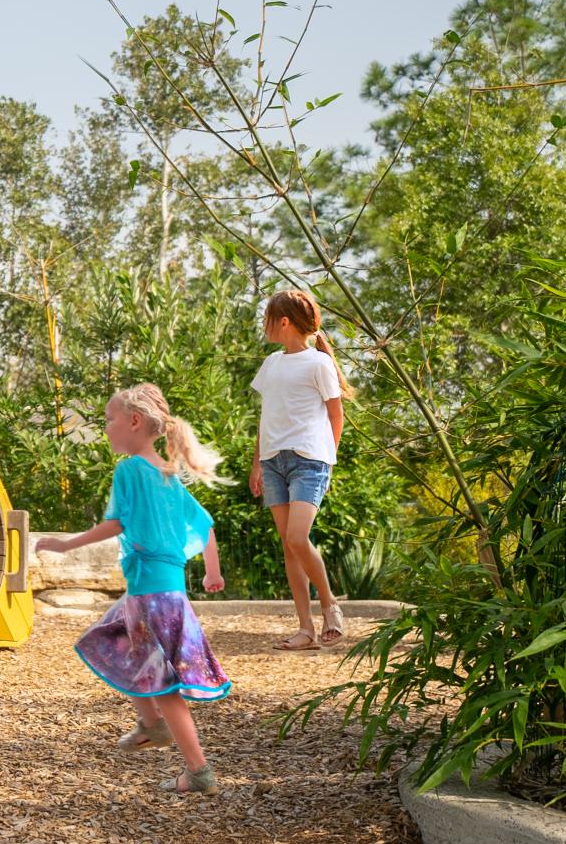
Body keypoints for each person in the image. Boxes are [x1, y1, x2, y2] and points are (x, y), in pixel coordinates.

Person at [37, 384, 231, 795]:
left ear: (134, 422)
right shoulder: (169, 477)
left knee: (165, 684)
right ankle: (150, 726)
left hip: (149, 597)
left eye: (109, 420)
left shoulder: (128, 471)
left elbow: (116, 524)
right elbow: (206, 526)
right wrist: (212, 573)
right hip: (167, 593)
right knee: (115, 642)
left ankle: (197, 771)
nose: (106, 428)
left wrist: (65, 544)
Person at [249, 290, 352, 652]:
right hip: (273, 462)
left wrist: (328, 458)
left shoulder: (318, 364)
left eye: (267, 318)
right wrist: (257, 463)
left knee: (297, 538)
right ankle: (305, 630)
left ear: (284, 322)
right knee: (289, 548)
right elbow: (266, 418)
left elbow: (336, 416)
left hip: (310, 460)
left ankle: (331, 606)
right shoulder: (271, 365)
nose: (265, 326)